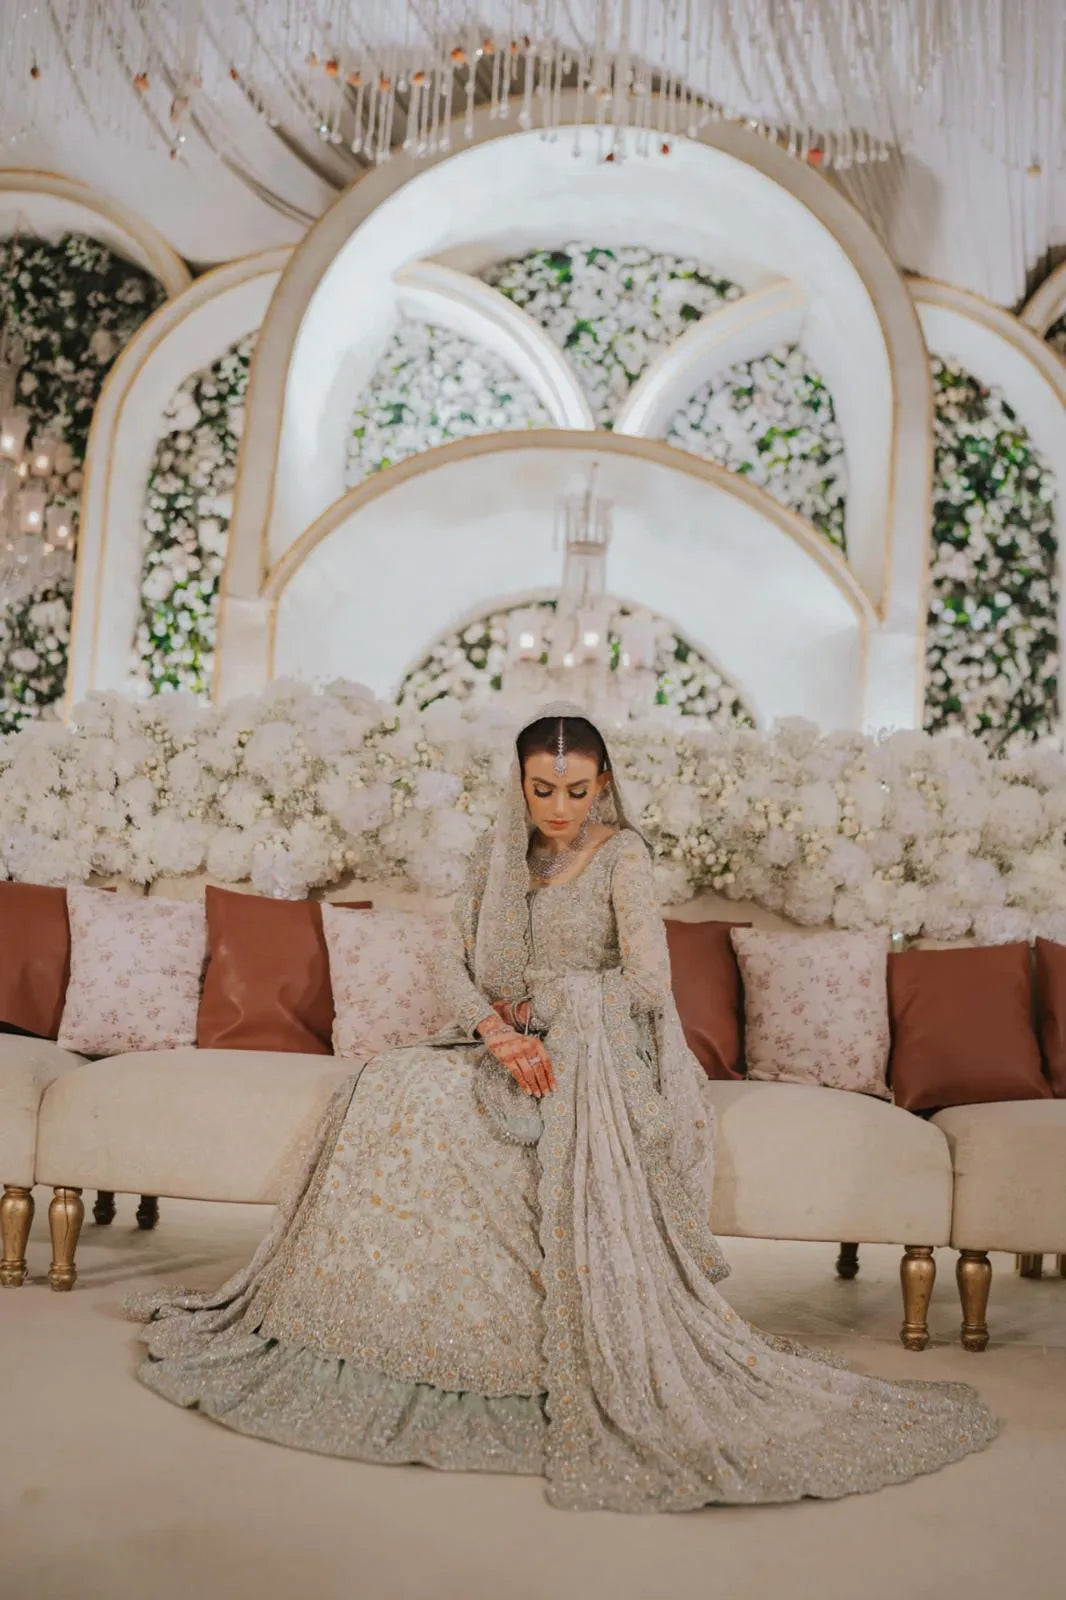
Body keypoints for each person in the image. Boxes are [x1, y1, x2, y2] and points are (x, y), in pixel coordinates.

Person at [131, 702, 997, 1512]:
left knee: (483, 1124)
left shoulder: (624, 859)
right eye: (542, 790)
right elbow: (450, 965)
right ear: (518, 786)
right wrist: (493, 1028)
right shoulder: (497, 858)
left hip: (599, 1051)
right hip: (502, 1041)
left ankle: (516, 1348)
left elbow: (650, 984)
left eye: (577, 790)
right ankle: (393, 1330)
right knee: (383, 1088)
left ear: (603, 784)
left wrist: (551, 1007)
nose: (559, 806)